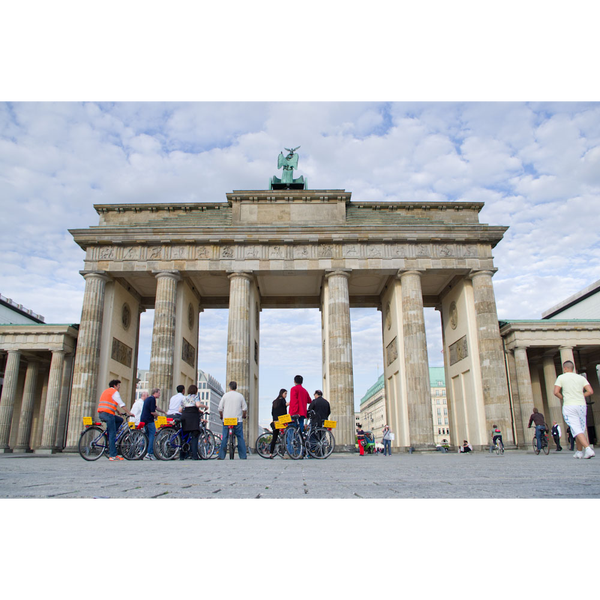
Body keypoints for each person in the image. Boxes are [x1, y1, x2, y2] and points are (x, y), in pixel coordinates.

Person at [554, 360, 595, 459]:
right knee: (579, 429)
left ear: (565, 368)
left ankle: (588, 449)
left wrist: (564, 397)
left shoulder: (561, 377)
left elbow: (556, 392)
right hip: (581, 405)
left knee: (575, 428)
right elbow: (590, 391)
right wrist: (581, 395)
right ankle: (579, 451)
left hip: (569, 405)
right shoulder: (580, 378)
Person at [97, 380, 134, 461]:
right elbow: (121, 404)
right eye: (118, 386)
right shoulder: (115, 392)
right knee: (112, 435)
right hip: (108, 415)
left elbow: (109, 403)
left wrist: (118, 412)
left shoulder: (106, 391)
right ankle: (113, 455)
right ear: (115, 386)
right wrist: (129, 413)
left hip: (102, 413)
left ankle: (108, 432)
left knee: (120, 420)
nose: (119, 387)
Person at [218, 381, 248, 459]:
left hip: (227, 420)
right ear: (236, 387)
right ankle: (243, 456)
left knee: (225, 437)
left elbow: (220, 408)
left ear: (229, 387)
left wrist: (221, 416)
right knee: (240, 437)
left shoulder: (225, 396)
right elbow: (244, 408)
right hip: (237, 420)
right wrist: (244, 415)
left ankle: (221, 456)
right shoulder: (240, 396)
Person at [178, 384, 206, 460]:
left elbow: (180, 410)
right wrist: (205, 407)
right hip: (193, 418)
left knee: (184, 437)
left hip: (185, 417)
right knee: (194, 437)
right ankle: (194, 455)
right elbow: (197, 405)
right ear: (196, 391)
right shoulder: (195, 397)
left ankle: (182, 456)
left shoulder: (185, 398)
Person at [140, 388, 166, 460]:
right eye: (159, 393)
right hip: (149, 420)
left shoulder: (149, 399)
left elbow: (156, 408)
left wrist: (163, 411)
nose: (160, 394)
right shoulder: (152, 399)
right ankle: (150, 453)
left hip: (144, 419)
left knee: (146, 435)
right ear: (155, 393)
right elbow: (152, 411)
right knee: (153, 435)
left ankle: (142, 451)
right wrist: (160, 416)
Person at [269, 389, 288, 458]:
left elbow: (272, 412)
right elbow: (284, 406)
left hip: (275, 421)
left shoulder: (274, 401)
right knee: (286, 436)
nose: (286, 395)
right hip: (282, 421)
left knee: (274, 437)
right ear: (282, 393)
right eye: (285, 393)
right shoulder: (282, 400)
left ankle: (271, 453)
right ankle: (284, 452)